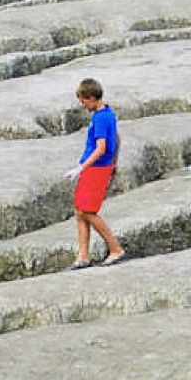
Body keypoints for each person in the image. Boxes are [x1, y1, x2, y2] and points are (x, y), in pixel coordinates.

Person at [64, 78, 127, 268]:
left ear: (91, 98)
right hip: (101, 167)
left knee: (88, 212)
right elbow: (117, 138)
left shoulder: (100, 117)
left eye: (84, 101)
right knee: (80, 211)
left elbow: (101, 147)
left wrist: (80, 168)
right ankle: (83, 255)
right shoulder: (108, 112)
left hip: (96, 168)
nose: (83, 105)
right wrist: (114, 163)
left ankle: (115, 249)